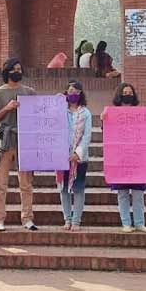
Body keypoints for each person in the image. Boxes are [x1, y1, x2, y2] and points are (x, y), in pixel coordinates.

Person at [0, 57, 38, 231]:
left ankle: (27, 218)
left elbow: (40, 113)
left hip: (24, 141)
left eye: (19, 68)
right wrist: (7, 108)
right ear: (6, 71)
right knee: (1, 184)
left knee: (26, 183)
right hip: (4, 141)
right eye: (14, 69)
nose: (17, 71)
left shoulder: (29, 92)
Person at [106, 83, 146, 233]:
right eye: (124, 92)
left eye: (130, 92)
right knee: (123, 194)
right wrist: (104, 120)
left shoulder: (141, 113)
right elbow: (107, 133)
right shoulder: (112, 113)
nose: (127, 94)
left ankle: (139, 223)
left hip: (137, 159)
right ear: (119, 94)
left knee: (138, 194)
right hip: (120, 159)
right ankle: (126, 223)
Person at [58, 80, 93, 231]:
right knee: (64, 189)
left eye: (76, 92)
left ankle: (76, 221)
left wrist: (77, 153)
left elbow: (87, 135)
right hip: (61, 156)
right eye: (70, 91)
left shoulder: (85, 113)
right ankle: (67, 219)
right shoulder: (60, 110)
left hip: (79, 158)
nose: (73, 94)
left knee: (78, 189)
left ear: (81, 94)